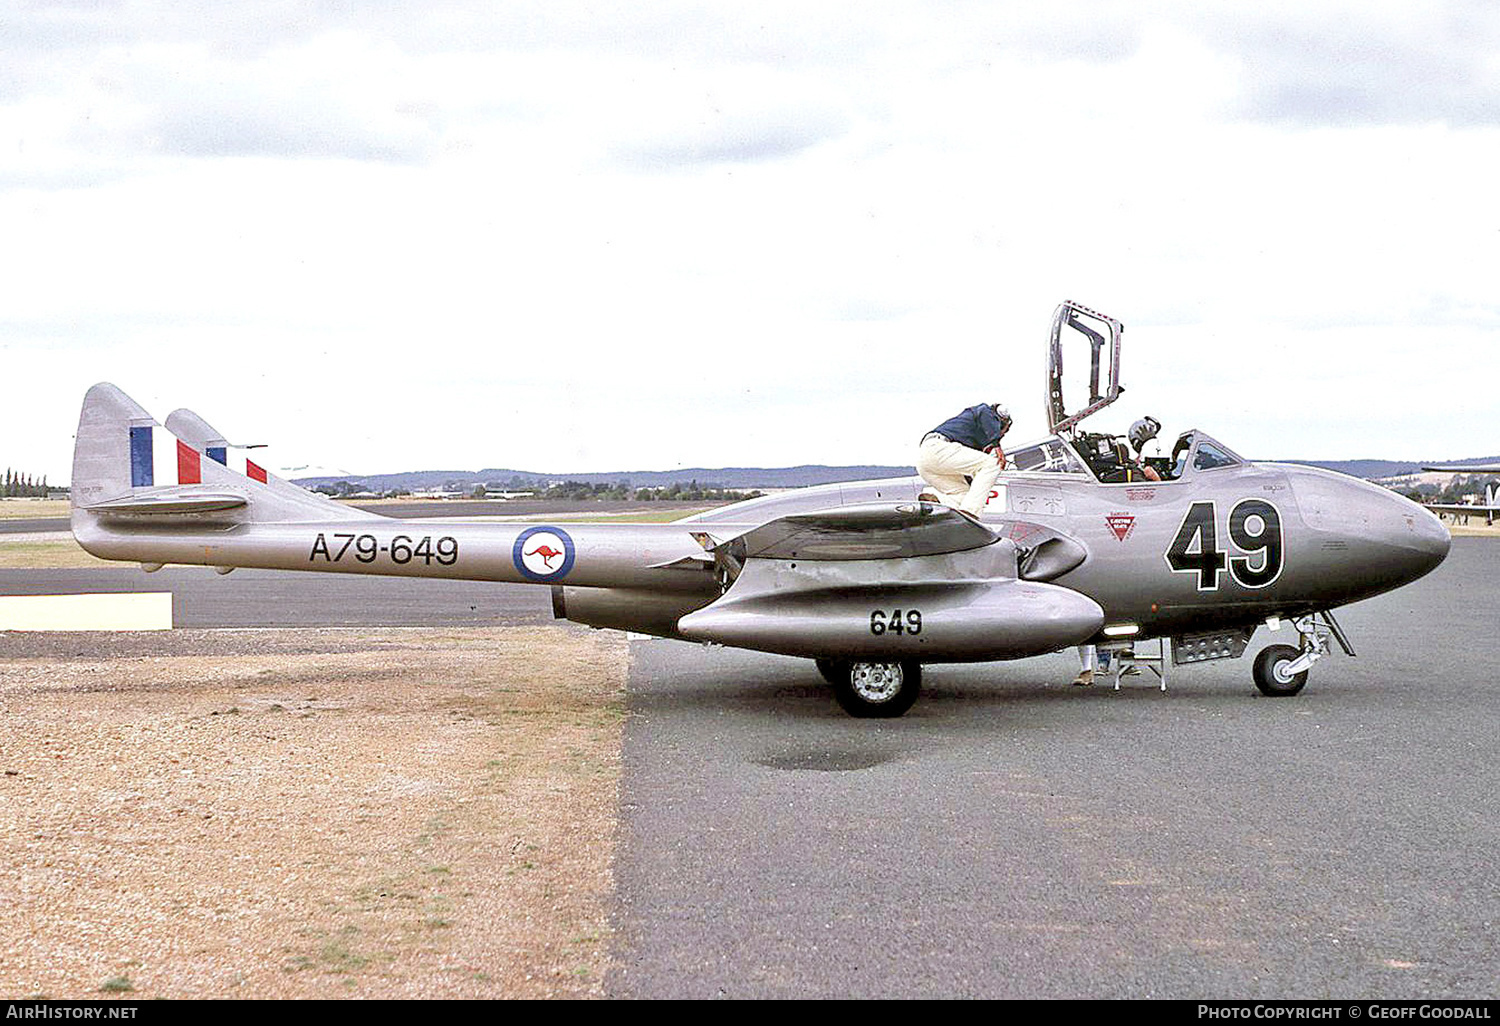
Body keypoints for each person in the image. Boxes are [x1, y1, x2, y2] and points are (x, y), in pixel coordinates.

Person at [917, 403, 1012, 517]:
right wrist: (996, 445)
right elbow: (984, 412)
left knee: (964, 494)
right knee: (993, 463)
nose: (1002, 435)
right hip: (938, 448)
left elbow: (971, 475)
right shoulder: (985, 411)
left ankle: (938, 502)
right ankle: (971, 512)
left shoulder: (970, 440)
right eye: (1003, 431)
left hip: (927, 463)